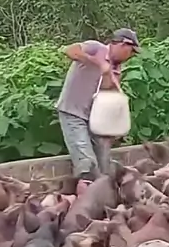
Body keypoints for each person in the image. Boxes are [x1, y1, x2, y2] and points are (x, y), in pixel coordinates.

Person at [57, 28, 140, 188]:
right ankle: (86, 192)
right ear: (123, 44)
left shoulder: (117, 69)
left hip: (96, 118)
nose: (131, 56)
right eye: (131, 51)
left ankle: (103, 190)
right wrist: (97, 62)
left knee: (104, 162)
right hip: (73, 111)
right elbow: (70, 51)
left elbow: (107, 95)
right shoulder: (96, 48)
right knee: (87, 162)